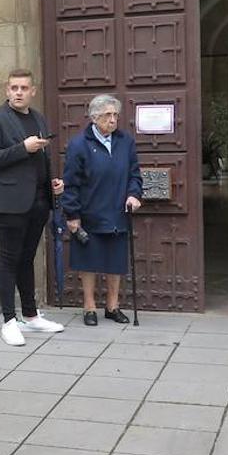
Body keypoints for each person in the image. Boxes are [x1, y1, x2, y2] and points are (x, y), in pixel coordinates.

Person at [0, 69, 66, 347]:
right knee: (8, 259)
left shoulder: (38, 117)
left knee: (27, 258)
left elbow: (40, 158)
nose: (18, 92)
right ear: (7, 91)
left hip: (39, 201)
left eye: (24, 87)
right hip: (10, 203)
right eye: (14, 87)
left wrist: (52, 180)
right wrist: (22, 148)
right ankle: (8, 320)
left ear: (33, 91)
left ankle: (30, 315)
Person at [61, 94, 143, 327]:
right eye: (108, 115)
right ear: (94, 117)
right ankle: (89, 307)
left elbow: (134, 174)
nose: (113, 119)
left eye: (115, 115)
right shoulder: (79, 144)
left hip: (117, 211)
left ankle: (112, 306)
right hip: (89, 213)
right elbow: (71, 182)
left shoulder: (125, 141)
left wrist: (134, 194)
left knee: (115, 262)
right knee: (88, 262)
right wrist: (72, 215)